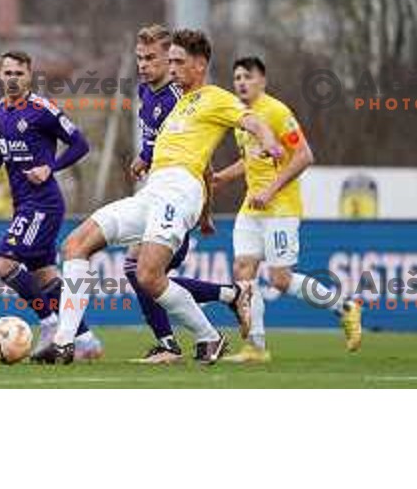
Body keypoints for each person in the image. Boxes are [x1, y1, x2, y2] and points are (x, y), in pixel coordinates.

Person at [36, 29, 283, 365]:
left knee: (147, 274)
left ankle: (208, 336)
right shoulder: (177, 103)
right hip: (152, 191)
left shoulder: (214, 96)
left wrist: (269, 141)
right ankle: (65, 343)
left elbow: (251, 120)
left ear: (199, 65)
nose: (173, 68)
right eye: (170, 61)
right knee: (76, 244)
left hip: (180, 191)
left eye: (179, 62)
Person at [0, 50, 103, 361]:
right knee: (46, 277)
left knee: (4, 262)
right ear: (0, 75)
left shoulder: (42, 110)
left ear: (29, 76)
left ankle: (49, 326)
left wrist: (52, 167)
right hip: (23, 204)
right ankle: (86, 341)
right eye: (7, 73)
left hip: (44, 203)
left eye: (18, 73)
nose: (12, 79)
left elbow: (80, 144)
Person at [211, 56, 362, 363]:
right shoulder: (242, 117)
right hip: (251, 208)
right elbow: (251, 159)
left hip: (280, 207)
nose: (241, 82)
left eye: (247, 77)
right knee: (243, 269)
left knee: (280, 279)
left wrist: (270, 190)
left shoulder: (277, 112)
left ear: (262, 81)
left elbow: (304, 156)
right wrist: (223, 178)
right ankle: (256, 347)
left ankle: (344, 306)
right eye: (237, 77)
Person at [127, 24, 251, 364]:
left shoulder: (182, 97)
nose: (144, 65)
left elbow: (202, 163)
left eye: (153, 58)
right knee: (147, 274)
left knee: (144, 272)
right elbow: (157, 141)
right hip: (158, 192)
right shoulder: (146, 93)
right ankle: (230, 295)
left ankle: (172, 343)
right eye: (139, 58)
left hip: (178, 198)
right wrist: (144, 156)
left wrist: (206, 213)